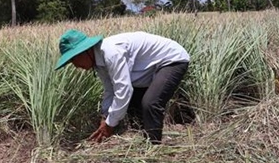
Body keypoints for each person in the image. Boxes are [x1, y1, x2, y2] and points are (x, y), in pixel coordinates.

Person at [55, 29, 190, 144]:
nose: (76, 66)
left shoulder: (111, 53)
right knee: (131, 105)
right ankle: (140, 139)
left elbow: (123, 90)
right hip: (148, 69)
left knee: (150, 103)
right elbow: (110, 89)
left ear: (84, 52)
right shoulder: (98, 62)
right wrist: (105, 116)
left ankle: (154, 147)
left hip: (171, 60)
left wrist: (109, 125)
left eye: (74, 60)